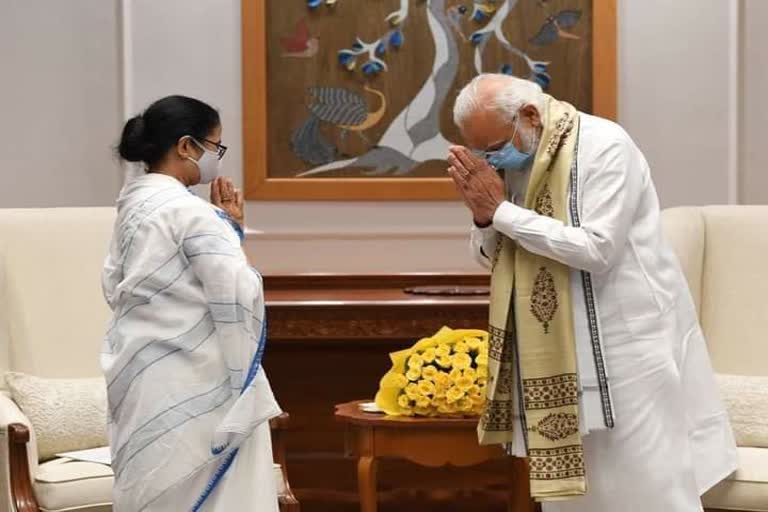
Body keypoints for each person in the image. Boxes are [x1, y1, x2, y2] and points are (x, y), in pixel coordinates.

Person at [447, 74, 737, 511]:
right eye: (482, 152)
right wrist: (486, 220)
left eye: (494, 147)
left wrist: (501, 212)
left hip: (628, 345)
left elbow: (597, 249)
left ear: (529, 115)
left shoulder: (604, 146)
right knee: (575, 496)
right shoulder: (521, 158)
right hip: (556, 353)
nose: (492, 159)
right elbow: (500, 259)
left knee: (649, 487)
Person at [102, 95, 281, 511]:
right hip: (197, 384)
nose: (218, 159)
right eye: (215, 147)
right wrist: (231, 229)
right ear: (186, 146)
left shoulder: (131, 207)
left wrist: (226, 229)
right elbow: (239, 291)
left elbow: (113, 286)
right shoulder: (192, 213)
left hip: (141, 375)